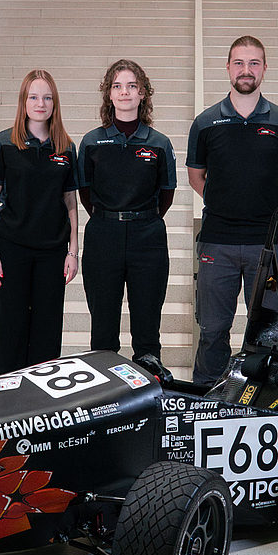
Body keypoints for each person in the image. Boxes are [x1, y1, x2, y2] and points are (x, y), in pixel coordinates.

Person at [187, 35, 278, 385]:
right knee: (212, 330)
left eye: (254, 63)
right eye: (239, 63)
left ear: (264, 68)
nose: (246, 70)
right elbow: (196, 176)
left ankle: (266, 399)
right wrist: (224, 201)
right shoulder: (205, 122)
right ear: (228, 68)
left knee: (273, 332)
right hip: (217, 242)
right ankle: (206, 397)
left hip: (267, 244)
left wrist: (269, 208)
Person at [75, 60, 177, 361]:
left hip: (148, 238)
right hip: (103, 235)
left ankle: (149, 380)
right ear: (109, 93)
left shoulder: (159, 143)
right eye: (117, 86)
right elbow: (85, 192)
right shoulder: (92, 142)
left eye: (132, 86)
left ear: (143, 93)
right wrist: (111, 218)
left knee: (147, 329)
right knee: (103, 329)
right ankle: (106, 385)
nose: (125, 92)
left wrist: (140, 220)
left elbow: (166, 195)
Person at [0, 70, 80, 375]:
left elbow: (71, 202)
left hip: (52, 252)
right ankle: (9, 396)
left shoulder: (66, 147)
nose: (40, 104)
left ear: (54, 103)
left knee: (47, 335)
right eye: (34, 97)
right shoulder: (4, 143)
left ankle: (42, 398)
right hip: (11, 250)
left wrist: (73, 251)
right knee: (11, 331)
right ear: (23, 101)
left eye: (47, 98)